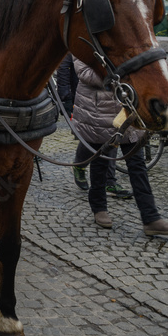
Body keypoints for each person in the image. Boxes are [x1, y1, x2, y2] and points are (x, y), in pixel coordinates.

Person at [71, 56, 168, 237]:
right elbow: (84, 73)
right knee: (101, 163)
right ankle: (99, 207)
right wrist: (119, 74)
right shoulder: (84, 38)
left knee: (137, 166)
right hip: (98, 112)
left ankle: (151, 218)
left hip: (127, 109)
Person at [59, 53, 132, 198]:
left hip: (113, 97)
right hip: (88, 97)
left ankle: (109, 182)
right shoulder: (80, 41)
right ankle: (80, 164)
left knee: (111, 137)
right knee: (92, 138)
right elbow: (66, 68)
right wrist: (65, 96)